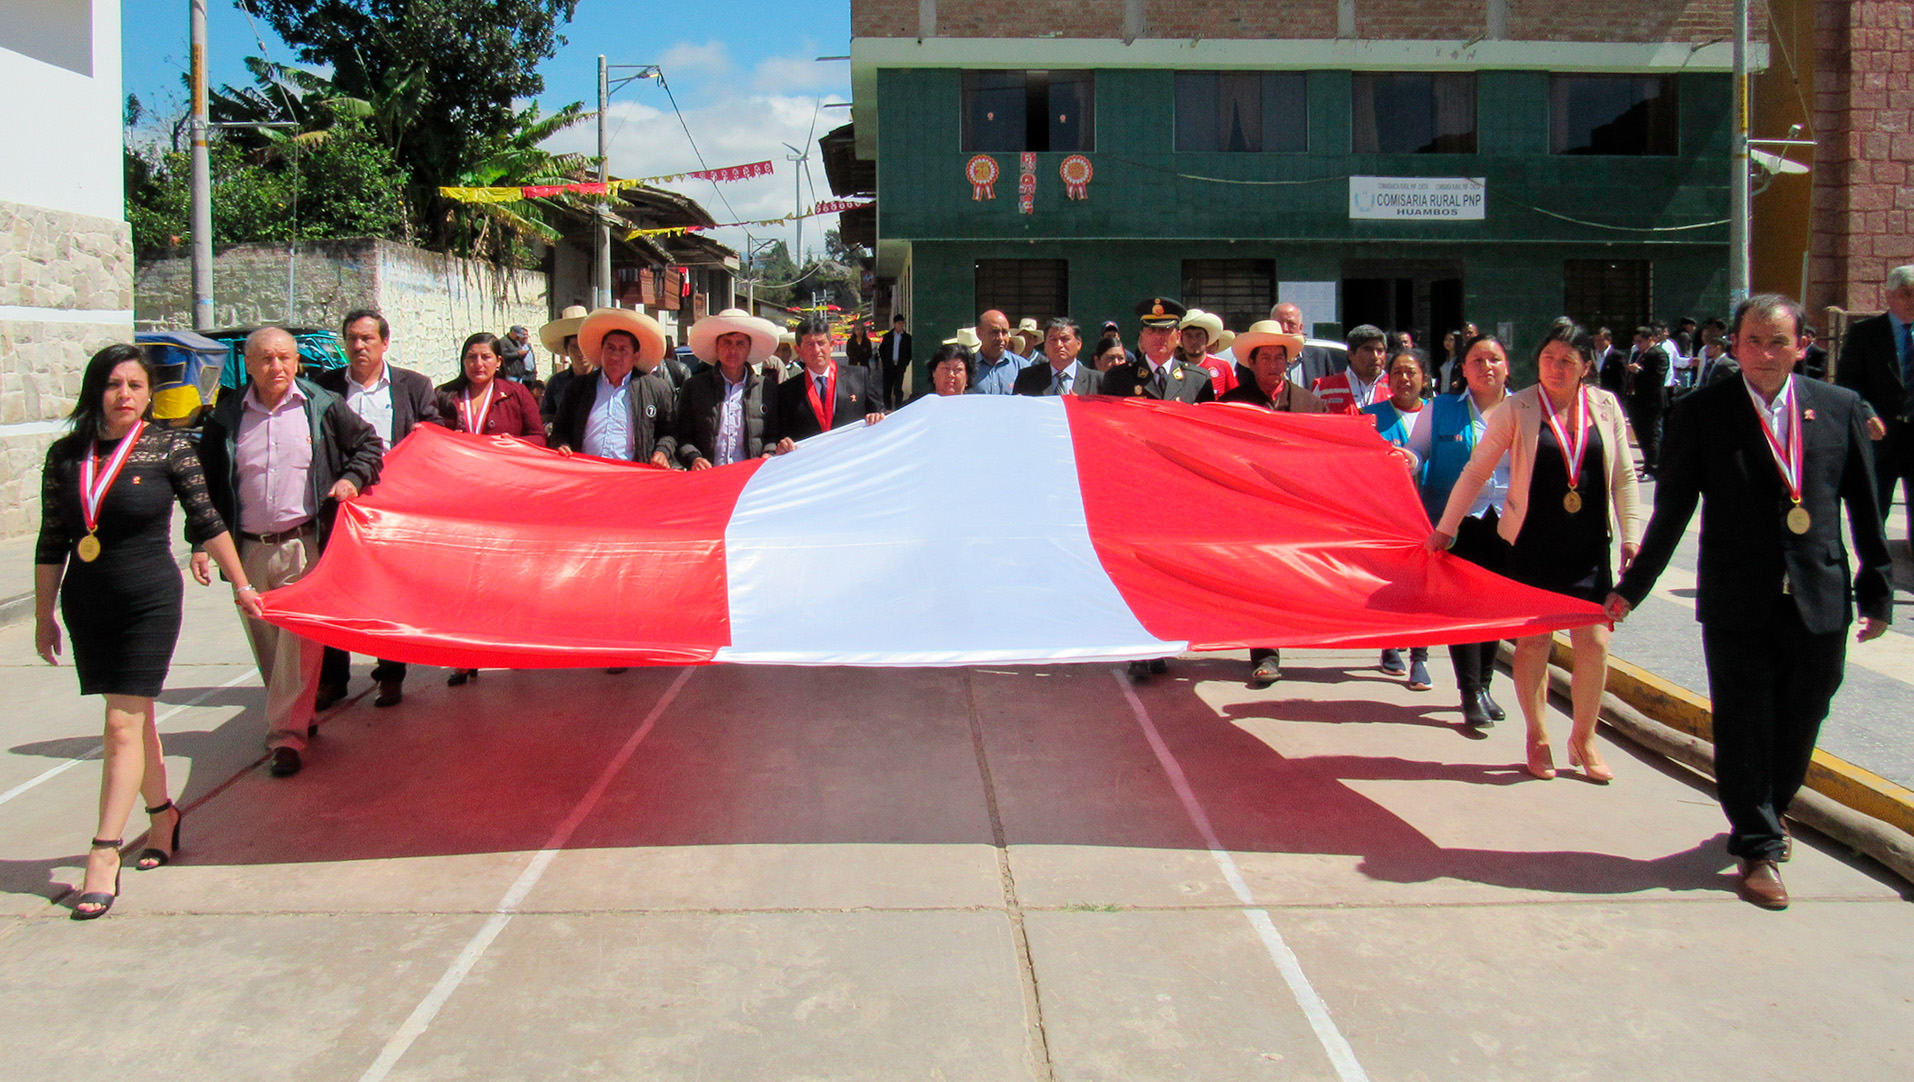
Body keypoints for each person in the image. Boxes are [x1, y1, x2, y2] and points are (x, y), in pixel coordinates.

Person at [1607, 294, 1891, 909]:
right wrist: (1632, 588)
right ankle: (1757, 845)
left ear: (1803, 346)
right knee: (1743, 722)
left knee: (1805, 712)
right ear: (1733, 345)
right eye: (1754, 341)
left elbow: (1866, 508)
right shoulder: (1702, 412)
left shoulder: (1838, 409)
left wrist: (1878, 589)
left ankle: (1771, 808)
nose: (1766, 353)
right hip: (1739, 596)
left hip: (1818, 595)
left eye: (1779, 341)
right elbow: (1673, 510)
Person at [34, 345, 263, 919]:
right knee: (137, 724)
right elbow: (51, 539)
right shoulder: (65, 457)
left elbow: (207, 520)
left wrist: (241, 584)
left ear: (148, 395)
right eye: (115, 385)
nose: (126, 396)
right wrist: (44, 613)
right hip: (89, 604)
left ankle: (104, 852)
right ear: (96, 391)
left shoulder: (167, 449)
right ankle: (164, 816)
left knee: (120, 725)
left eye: (137, 386)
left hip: (149, 602)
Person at [1428, 321, 1643, 783]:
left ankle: (1583, 738)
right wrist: (1446, 528)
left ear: (1586, 366)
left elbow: (1624, 477)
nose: (1556, 368)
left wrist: (1631, 536)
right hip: (1531, 543)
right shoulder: (1517, 406)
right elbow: (1475, 469)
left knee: (1595, 643)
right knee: (1534, 642)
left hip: (1588, 545)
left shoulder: (1605, 406)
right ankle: (1538, 736)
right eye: (1548, 359)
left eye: (1567, 360)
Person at [198, 327, 384, 779]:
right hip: (248, 549)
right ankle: (300, 715)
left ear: (298, 361)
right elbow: (202, 487)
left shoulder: (321, 407)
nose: (276, 367)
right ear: (248, 362)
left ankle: (286, 736)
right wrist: (201, 543)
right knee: (267, 643)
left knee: (299, 641)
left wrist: (352, 480)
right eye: (265, 359)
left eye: (284, 358)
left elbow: (370, 446)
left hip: (305, 543)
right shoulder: (226, 416)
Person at [311, 308, 441, 710]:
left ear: (385, 343)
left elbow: (434, 433)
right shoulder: (323, 388)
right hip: (343, 505)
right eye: (352, 337)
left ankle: (390, 674)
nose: (359, 345)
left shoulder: (412, 386)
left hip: (394, 506)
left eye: (367, 338)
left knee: (390, 593)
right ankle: (334, 677)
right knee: (335, 592)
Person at [1410, 333, 1515, 728]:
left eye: (1493, 359)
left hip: (1507, 521)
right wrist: (1408, 458)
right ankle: (1469, 691)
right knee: (1464, 609)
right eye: (1476, 360)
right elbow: (1419, 451)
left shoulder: (1524, 408)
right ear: (1463, 369)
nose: (1486, 367)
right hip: (1456, 523)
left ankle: (1485, 685)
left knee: (1493, 609)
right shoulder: (1440, 409)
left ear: (1507, 366)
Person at [1217, 320, 1327, 687]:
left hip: (1295, 510)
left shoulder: (1312, 405)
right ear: (1251, 363)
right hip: (1249, 510)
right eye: (1265, 357)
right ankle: (1265, 653)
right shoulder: (1230, 405)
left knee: (1289, 581)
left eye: (1280, 357)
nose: (1273, 364)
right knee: (1257, 581)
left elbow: (1328, 458)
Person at [1363, 351, 1437, 690]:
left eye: (1411, 372)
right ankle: (1389, 641)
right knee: (1389, 585)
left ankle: (1419, 659)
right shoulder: (1371, 416)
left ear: (1425, 377)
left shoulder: (1438, 416)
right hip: (1386, 518)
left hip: (1430, 515)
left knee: (1424, 589)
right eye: (1396, 372)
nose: (1404, 379)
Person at [1835, 264, 1914, 544]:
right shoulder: (1865, 334)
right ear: (1889, 296)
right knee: (1873, 514)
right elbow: (1847, 382)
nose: (1913, 300)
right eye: (1906, 293)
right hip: (1881, 438)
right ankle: (1875, 579)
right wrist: (1865, 414)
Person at [550, 308, 677, 467]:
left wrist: (662, 452)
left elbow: (670, 433)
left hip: (631, 478)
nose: (615, 356)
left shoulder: (656, 389)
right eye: (610, 348)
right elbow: (560, 429)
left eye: (623, 350)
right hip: (586, 473)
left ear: (635, 355)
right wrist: (561, 445)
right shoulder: (578, 388)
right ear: (601, 351)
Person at [676, 308, 780, 468]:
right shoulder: (694, 387)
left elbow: (774, 434)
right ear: (717, 346)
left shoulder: (767, 389)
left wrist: (769, 453)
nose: (733, 350)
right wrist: (694, 458)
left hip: (750, 477)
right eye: (727, 342)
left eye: (740, 343)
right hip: (708, 476)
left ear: (748, 349)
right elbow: (682, 435)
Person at [769, 315, 886, 451]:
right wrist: (782, 444)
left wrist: (876, 416)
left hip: (853, 458)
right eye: (809, 344)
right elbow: (778, 435)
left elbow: (879, 411)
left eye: (821, 343)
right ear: (798, 350)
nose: (816, 350)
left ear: (831, 346)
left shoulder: (859, 377)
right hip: (812, 465)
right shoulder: (786, 391)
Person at [1102, 297, 1215, 408]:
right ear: (1142, 337)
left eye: (1164, 330)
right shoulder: (1118, 378)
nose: (1158, 336)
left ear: (1178, 337)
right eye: (1151, 330)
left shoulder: (1197, 379)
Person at [437, 332, 548, 445]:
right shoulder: (444, 395)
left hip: (502, 461)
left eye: (486, 357)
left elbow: (539, 437)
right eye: (471, 357)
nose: (478, 364)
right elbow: (428, 434)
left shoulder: (518, 394)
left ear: (498, 362)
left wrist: (516, 442)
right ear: (463, 362)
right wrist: (448, 438)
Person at [1013, 318, 1102, 396]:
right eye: (1053, 340)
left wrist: (1081, 406)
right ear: (1045, 345)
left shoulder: (1097, 381)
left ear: (1079, 344)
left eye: (1065, 339)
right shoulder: (1026, 377)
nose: (1059, 345)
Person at [1625, 325, 1670, 478]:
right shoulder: (1637, 354)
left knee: (1652, 434)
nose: (1638, 345)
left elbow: (1658, 378)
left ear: (1650, 339)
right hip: (1637, 400)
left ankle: (1653, 467)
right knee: (1641, 434)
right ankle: (1648, 463)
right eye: (1635, 342)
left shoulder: (1659, 354)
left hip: (1652, 401)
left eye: (1640, 341)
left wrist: (1639, 371)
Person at [1313, 324, 1390, 414]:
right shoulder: (1324, 388)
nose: (1375, 357)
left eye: (1380, 351)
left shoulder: (1396, 386)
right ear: (1350, 354)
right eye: (1368, 350)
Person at [538, 305, 593, 426]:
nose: (581, 352)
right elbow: (546, 416)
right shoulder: (556, 382)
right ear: (566, 350)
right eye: (575, 347)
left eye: (584, 345)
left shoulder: (605, 379)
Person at [1271, 301, 1344, 388]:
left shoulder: (1320, 357)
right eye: (1279, 324)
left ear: (1300, 328)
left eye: (1291, 324)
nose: (1285, 329)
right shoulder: (1260, 360)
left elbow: (1330, 393)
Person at [1176, 309, 1238, 395]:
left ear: (1207, 339)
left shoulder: (1223, 366)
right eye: (1188, 336)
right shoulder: (1172, 367)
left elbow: (1235, 400)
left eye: (1199, 335)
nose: (1194, 341)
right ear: (1181, 339)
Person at [969, 309, 1031, 395]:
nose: (1000, 338)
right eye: (994, 332)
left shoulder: (1022, 367)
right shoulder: (967, 367)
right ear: (979, 333)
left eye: (1004, 332)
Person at [881, 314, 912, 410]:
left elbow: (909, 353)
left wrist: (904, 363)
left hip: (899, 367)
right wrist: (885, 362)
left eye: (902, 323)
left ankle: (898, 407)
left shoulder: (907, 338)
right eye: (899, 323)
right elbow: (882, 350)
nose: (901, 325)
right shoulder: (888, 337)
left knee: (898, 389)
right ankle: (888, 408)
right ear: (894, 324)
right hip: (888, 367)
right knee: (887, 388)